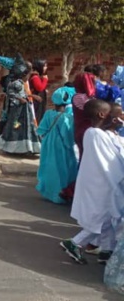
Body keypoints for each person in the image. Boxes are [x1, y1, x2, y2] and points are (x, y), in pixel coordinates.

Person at [61, 100, 124, 264]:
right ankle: (74, 243)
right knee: (102, 219)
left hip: (105, 184)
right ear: (103, 114)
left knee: (109, 221)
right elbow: (111, 161)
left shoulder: (103, 134)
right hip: (102, 185)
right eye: (114, 114)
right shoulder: (95, 134)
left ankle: (106, 252)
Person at [36, 86, 77, 204]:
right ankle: (60, 194)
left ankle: (48, 191)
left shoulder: (48, 113)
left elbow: (41, 130)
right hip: (62, 147)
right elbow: (68, 137)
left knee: (48, 166)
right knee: (63, 169)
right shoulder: (67, 118)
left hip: (48, 144)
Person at [0, 59, 41, 155]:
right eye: (28, 75)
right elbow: (10, 93)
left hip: (23, 110)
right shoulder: (16, 83)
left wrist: (32, 96)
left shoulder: (21, 84)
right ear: (24, 75)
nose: (29, 77)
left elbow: (23, 94)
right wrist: (20, 99)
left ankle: (23, 148)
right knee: (16, 126)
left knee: (23, 127)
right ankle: (12, 148)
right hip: (17, 111)